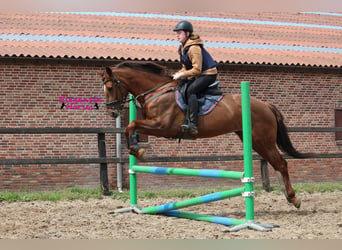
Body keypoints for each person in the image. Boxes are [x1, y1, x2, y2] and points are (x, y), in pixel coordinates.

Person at [172, 20, 218, 135]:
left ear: (187, 34)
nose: (177, 36)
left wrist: (182, 74)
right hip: (198, 74)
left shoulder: (194, 48)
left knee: (191, 90)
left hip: (208, 74)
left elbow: (197, 69)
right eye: (176, 33)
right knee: (181, 85)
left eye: (179, 33)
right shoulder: (182, 48)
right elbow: (185, 67)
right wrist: (178, 74)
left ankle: (193, 123)